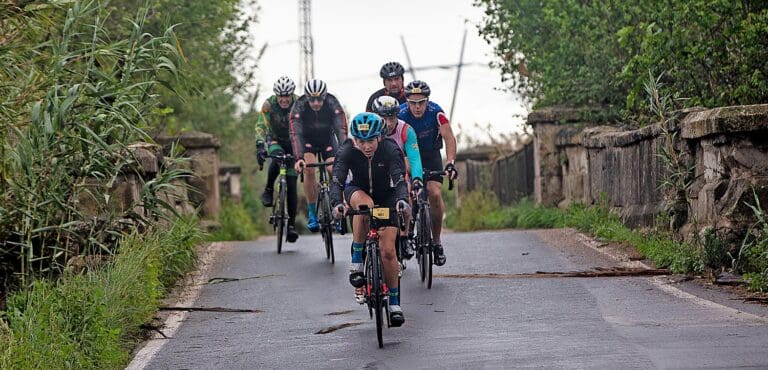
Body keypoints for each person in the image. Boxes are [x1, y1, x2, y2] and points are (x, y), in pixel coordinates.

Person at [331, 112, 412, 327]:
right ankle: (357, 261)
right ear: (354, 140)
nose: (366, 146)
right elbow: (337, 181)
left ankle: (394, 303)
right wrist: (336, 204)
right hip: (358, 191)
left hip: (388, 196)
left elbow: (399, 178)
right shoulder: (347, 150)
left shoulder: (389, 149)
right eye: (361, 141)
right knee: (365, 208)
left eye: (370, 141)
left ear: (379, 138)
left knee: (388, 252)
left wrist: (403, 200)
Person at [398, 80, 458, 266]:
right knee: (407, 193)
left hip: (431, 155)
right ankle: (406, 235)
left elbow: (449, 138)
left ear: (427, 101)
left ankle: (437, 242)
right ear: (407, 101)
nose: (417, 107)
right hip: (408, 155)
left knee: (434, 192)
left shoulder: (436, 112)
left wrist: (450, 163)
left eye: (421, 102)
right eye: (413, 103)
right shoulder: (400, 114)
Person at [290, 79, 347, 232]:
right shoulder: (299, 106)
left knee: (333, 169)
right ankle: (312, 212)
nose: (315, 103)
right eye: (312, 99)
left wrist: (345, 153)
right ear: (306, 98)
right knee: (309, 169)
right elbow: (296, 134)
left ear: (325, 96)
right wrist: (299, 158)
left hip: (327, 139)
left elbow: (341, 130)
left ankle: (338, 206)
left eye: (319, 99)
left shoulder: (332, 103)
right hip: (307, 142)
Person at [372, 95, 423, 260]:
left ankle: (404, 237)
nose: (388, 122)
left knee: (406, 194)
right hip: (376, 174)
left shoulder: (406, 130)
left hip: (397, 173)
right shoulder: (370, 131)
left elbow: (415, 158)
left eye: (392, 117)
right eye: (383, 118)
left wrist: (417, 179)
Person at [256, 76, 300, 242]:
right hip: (276, 140)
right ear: (276, 95)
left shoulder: (299, 103)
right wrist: (260, 145)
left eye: (287, 96)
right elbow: (261, 124)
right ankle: (268, 189)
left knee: (291, 183)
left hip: (294, 142)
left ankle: (292, 226)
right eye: (281, 96)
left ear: (291, 94)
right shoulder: (269, 104)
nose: (284, 99)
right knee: (275, 158)